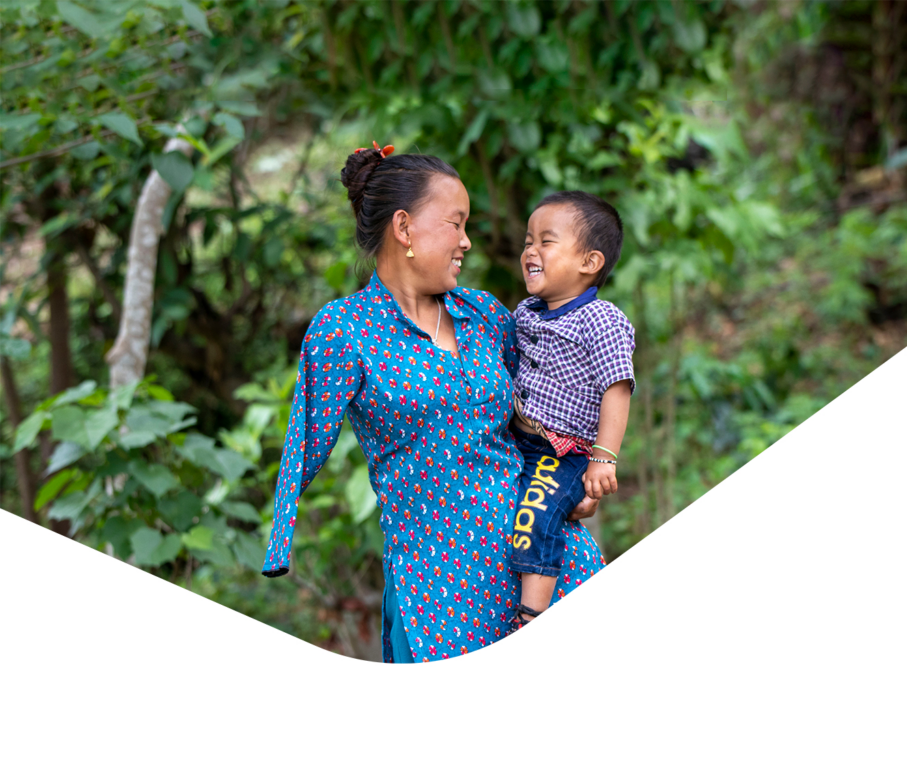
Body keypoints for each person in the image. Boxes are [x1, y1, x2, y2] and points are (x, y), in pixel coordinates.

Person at [261, 142, 605, 662]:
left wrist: (580, 467)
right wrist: (280, 540)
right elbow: (304, 438)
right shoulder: (345, 331)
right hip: (440, 591)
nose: (467, 241)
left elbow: (547, 402)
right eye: (456, 223)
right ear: (404, 229)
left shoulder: (486, 314)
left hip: (544, 559)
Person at [507, 191, 635, 630]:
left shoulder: (601, 320)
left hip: (561, 451)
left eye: (546, 241)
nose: (530, 251)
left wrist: (603, 458)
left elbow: (617, 388)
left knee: (534, 514)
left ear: (590, 262)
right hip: (516, 438)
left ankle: (532, 615)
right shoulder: (526, 312)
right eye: (528, 241)